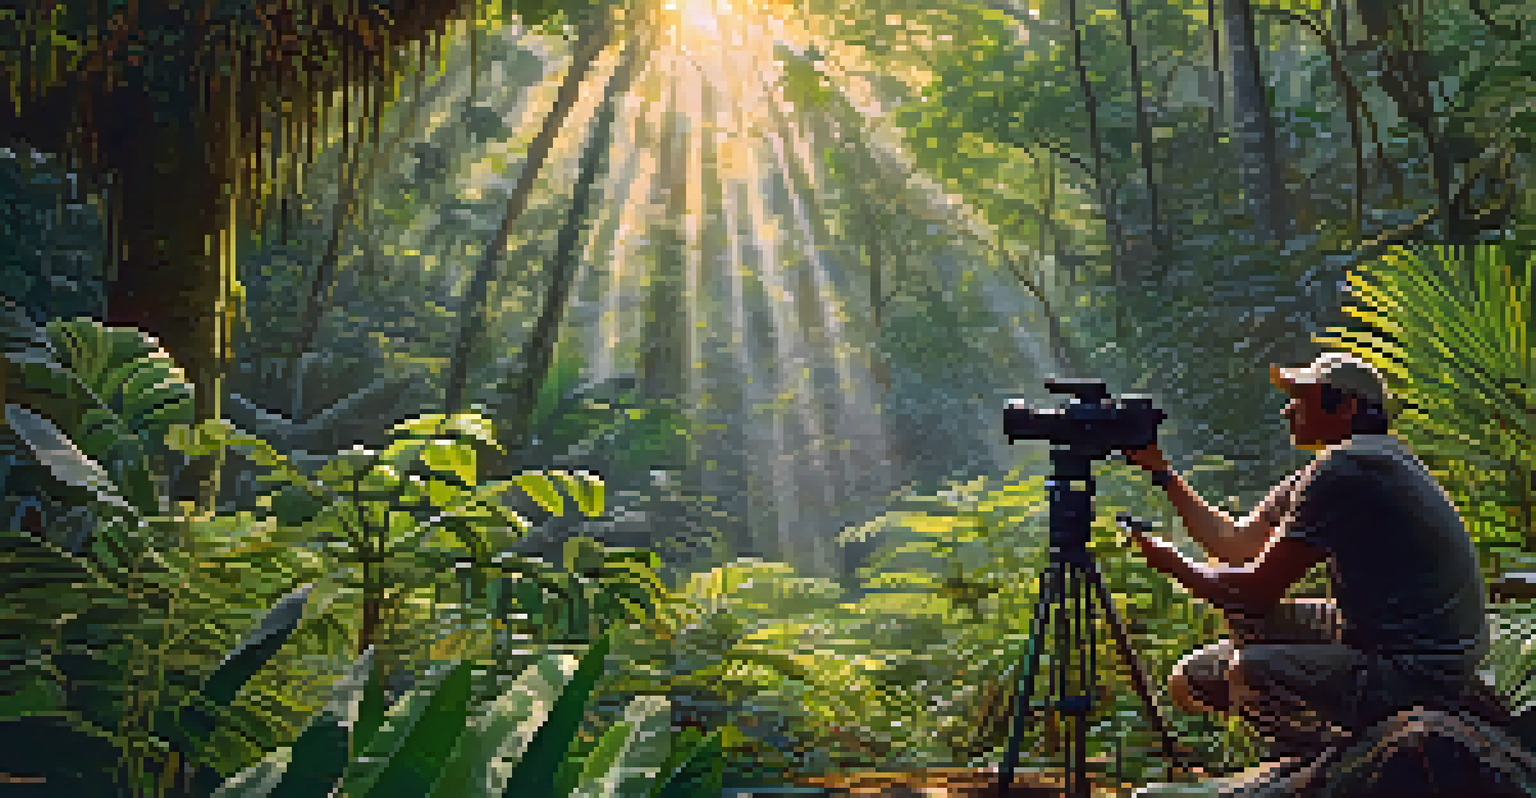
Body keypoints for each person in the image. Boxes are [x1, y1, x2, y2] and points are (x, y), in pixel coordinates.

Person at [1121, 351, 1507, 766]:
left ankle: (1321, 766)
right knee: (1196, 676)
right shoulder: (1352, 460)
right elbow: (1233, 545)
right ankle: (1316, 720)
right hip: (1374, 637)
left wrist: (1173, 564)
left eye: (1302, 399)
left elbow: (1255, 591)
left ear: (1346, 407)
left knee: (1253, 672)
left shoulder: (1349, 469)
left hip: (1416, 669)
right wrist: (1162, 474)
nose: (1288, 411)